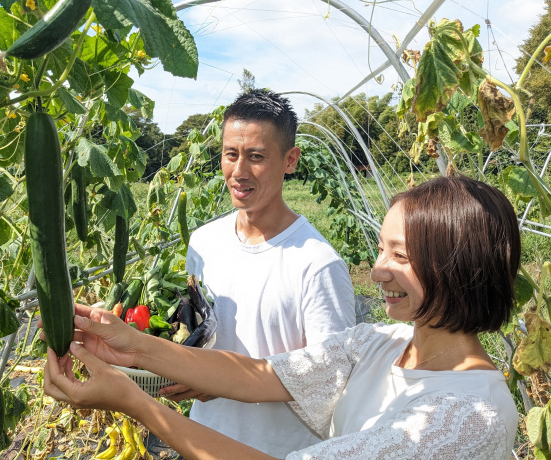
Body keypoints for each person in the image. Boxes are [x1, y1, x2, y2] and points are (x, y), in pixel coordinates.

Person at [43, 175, 521, 460]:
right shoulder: (383, 342)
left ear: (457, 267)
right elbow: (263, 375)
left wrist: (136, 403)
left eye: (400, 255)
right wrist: (131, 343)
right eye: (381, 248)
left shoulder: (467, 415)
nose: (376, 271)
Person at [158, 89, 355, 455]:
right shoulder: (204, 243)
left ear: (290, 159)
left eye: (256, 157)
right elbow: (193, 331)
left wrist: (219, 381)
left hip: (279, 451)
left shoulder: (317, 264)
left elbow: (329, 385)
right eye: (230, 154)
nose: (239, 171)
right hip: (205, 440)